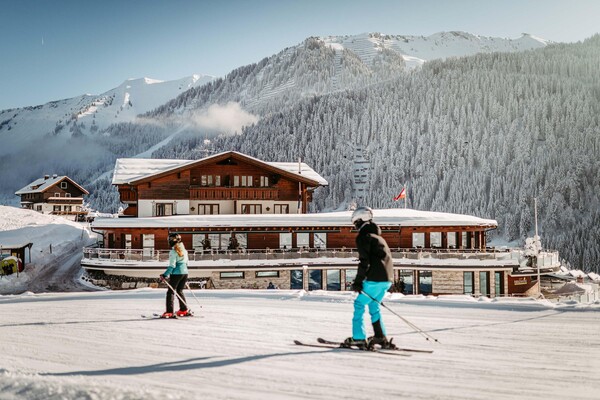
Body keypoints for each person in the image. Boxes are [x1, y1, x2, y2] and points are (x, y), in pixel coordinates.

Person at [344, 206, 395, 349]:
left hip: (374, 279)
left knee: (359, 304)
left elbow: (364, 262)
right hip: (386, 279)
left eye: (355, 223)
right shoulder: (379, 237)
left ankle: (358, 338)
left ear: (360, 221)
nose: (355, 227)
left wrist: (358, 282)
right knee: (374, 305)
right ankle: (380, 336)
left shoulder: (363, 237)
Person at [160, 233, 192, 318]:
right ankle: (183, 309)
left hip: (176, 273)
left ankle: (169, 312)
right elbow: (187, 263)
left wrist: (164, 275)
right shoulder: (185, 251)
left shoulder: (173, 252)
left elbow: (172, 266)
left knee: (170, 292)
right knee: (179, 290)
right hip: (185, 272)